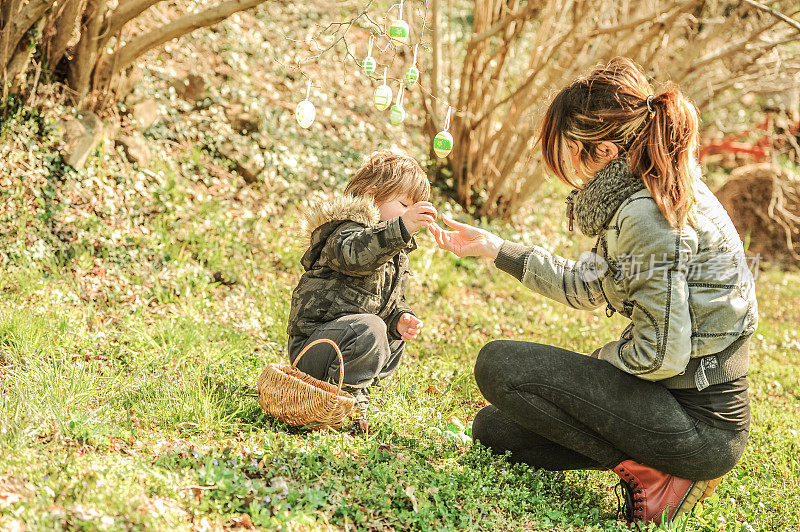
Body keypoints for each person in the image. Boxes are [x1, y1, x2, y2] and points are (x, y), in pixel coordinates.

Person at [429, 57, 758, 526]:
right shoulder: (648, 189)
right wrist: (495, 249)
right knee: (495, 430)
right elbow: (588, 285)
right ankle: (659, 465)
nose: (571, 167)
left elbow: (662, 353)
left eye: (573, 152)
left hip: (700, 424)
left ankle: (661, 472)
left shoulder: (648, 215)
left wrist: (598, 368)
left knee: (497, 364)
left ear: (604, 151)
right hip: (679, 409)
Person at [286, 149, 436, 424]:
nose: (409, 213)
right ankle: (347, 402)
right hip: (314, 349)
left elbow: (388, 300)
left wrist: (400, 318)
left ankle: (356, 389)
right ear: (370, 196)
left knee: (388, 332)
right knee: (370, 329)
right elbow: (356, 256)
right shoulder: (344, 232)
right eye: (404, 204)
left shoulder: (394, 252)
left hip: (347, 347)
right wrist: (401, 228)